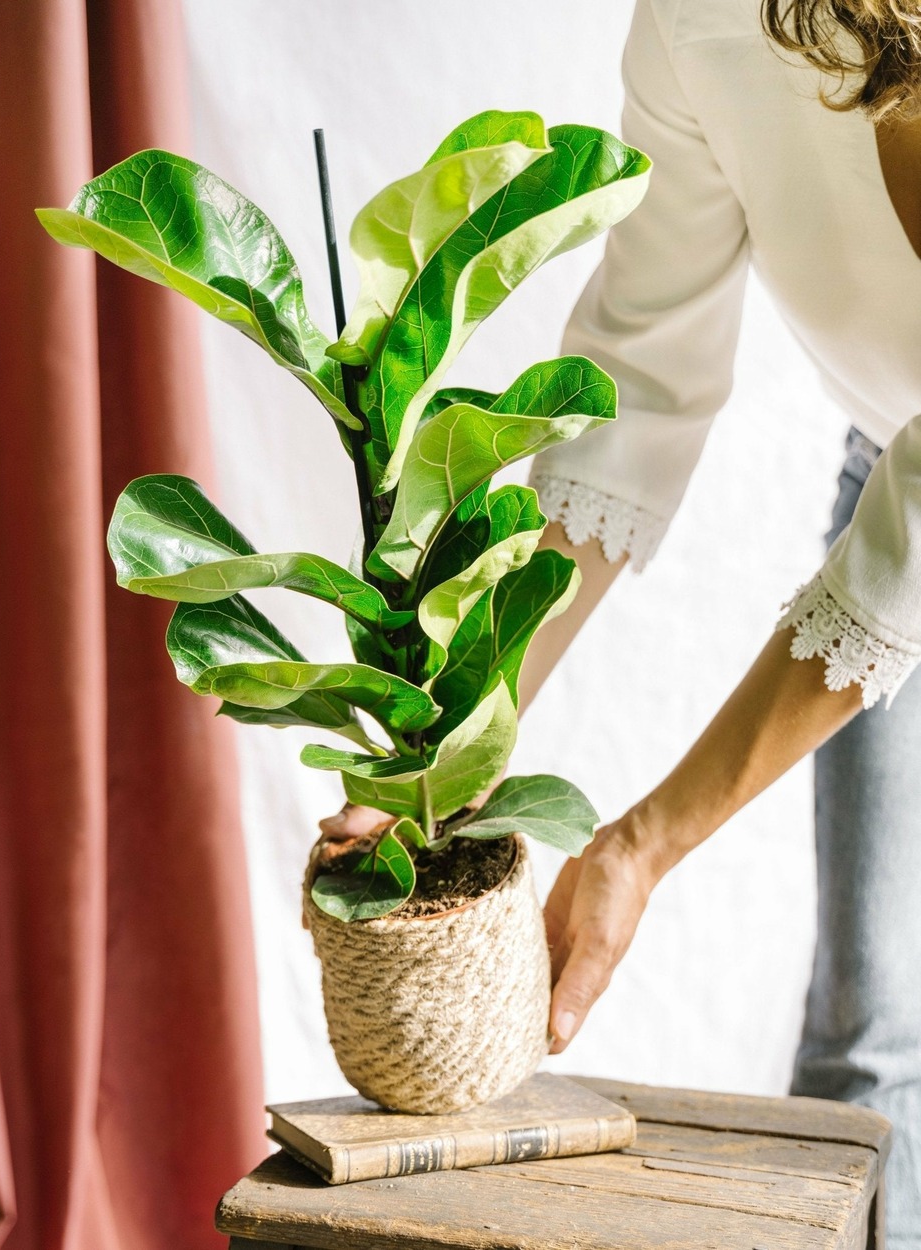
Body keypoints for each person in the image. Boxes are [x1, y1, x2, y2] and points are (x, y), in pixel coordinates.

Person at [322, 0, 921, 1240]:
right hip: (892, 464)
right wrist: (462, 725)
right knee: (869, 1043)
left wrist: (640, 844)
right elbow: (638, 393)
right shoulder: (701, 22)